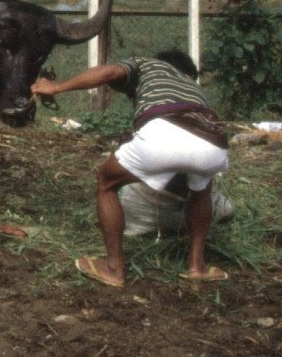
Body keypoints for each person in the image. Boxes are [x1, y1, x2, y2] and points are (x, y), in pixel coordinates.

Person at [31, 50, 229, 287]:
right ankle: (197, 266)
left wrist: (56, 87)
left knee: (107, 182)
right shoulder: (191, 86)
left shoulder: (147, 64)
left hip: (166, 128)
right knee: (201, 190)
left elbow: (109, 72)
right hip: (214, 139)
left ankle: (114, 268)